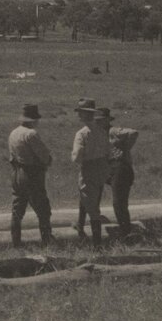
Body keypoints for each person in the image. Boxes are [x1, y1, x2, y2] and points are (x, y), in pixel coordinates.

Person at [7, 104, 54, 247]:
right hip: (31, 174)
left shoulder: (13, 133)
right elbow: (45, 156)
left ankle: (16, 243)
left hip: (16, 173)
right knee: (43, 210)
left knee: (17, 210)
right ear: (33, 120)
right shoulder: (31, 134)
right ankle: (47, 242)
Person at [71, 98, 111, 245]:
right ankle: (80, 227)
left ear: (82, 114)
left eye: (80, 112)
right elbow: (108, 150)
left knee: (92, 207)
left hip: (88, 168)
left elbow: (76, 157)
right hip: (101, 168)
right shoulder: (101, 130)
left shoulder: (81, 134)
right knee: (91, 199)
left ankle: (97, 245)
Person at [101, 107, 139, 238]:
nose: (98, 122)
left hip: (120, 168)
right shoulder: (98, 133)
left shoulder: (113, 131)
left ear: (107, 120)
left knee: (119, 202)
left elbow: (133, 132)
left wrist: (124, 146)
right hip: (108, 168)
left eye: (101, 120)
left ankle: (125, 231)